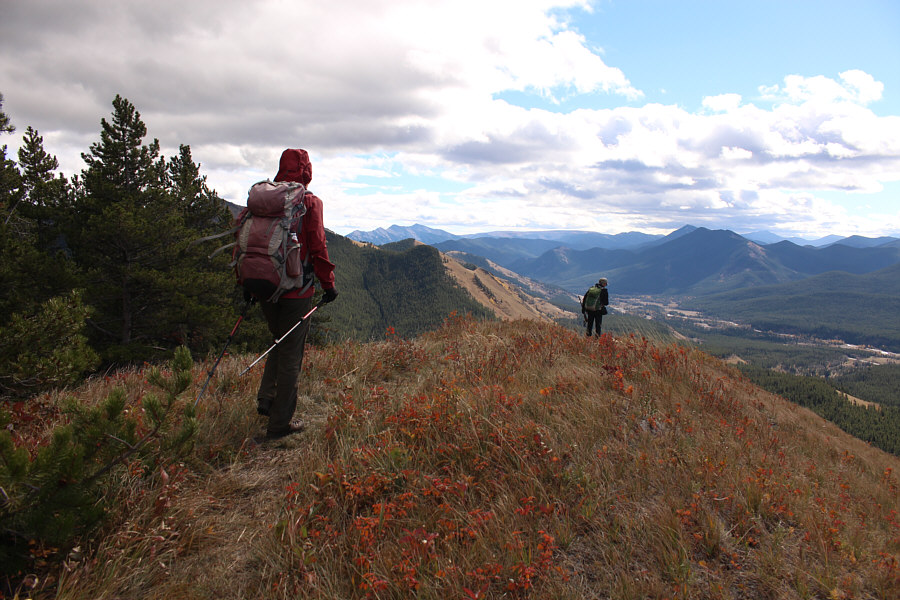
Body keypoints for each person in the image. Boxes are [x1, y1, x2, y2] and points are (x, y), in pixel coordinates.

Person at [255, 148, 337, 439]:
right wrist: (328, 284)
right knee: (291, 354)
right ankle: (279, 425)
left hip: (264, 286)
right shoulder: (309, 202)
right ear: (307, 170)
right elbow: (318, 246)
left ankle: (266, 399)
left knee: (278, 340)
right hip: (296, 290)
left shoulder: (263, 198)